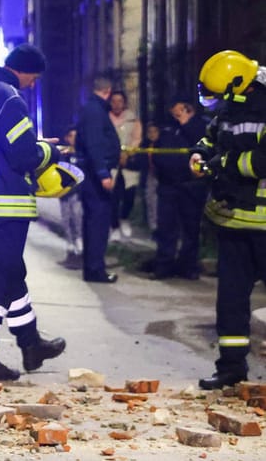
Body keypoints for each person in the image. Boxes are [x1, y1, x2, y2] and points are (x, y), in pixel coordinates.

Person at [0, 44, 67, 381]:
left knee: (11, 271)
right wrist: (49, 149)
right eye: (33, 78)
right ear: (25, 71)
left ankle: (30, 342)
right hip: (5, 200)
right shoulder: (9, 98)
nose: (32, 85)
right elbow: (24, 156)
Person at [190, 51, 266, 389]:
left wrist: (223, 163)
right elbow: (211, 137)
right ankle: (231, 368)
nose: (216, 102)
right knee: (231, 301)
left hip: (263, 224)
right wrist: (201, 154)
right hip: (232, 221)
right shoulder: (230, 107)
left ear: (240, 85)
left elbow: (260, 162)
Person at [146, 99, 210, 280]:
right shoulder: (167, 127)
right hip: (168, 185)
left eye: (178, 110)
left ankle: (188, 266)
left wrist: (186, 124)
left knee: (190, 229)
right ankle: (164, 265)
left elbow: (202, 145)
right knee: (166, 228)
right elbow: (159, 149)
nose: (175, 113)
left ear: (187, 108)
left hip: (190, 185)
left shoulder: (200, 125)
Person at [76, 77, 122, 283]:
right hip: (95, 177)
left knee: (94, 223)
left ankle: (93, 268)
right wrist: (103, 174)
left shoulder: (92, 109)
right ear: (108, 91)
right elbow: (95, 144)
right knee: (98, 224)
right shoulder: (95, 111)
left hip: (92, 173)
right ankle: (95, 269)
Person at [109, 90, 143, 240]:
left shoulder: (132, 119)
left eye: (119, 101)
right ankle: (114, 226)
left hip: (129, 163)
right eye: (114, 101)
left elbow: (137, 138)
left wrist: (127, 153)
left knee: (129, 194)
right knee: (113, 197)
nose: (116, 104)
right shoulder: (105, 118)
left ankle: (124, 218)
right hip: (111, 163)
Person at [58, 126, 84, 268]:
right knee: (66, 221)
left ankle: (80, 251)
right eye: (71, 136)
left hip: (78, 193)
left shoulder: (82, 154)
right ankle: (70, 250)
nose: (73, 139)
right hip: (64, 193)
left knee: (78, 220)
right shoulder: (64, 154)